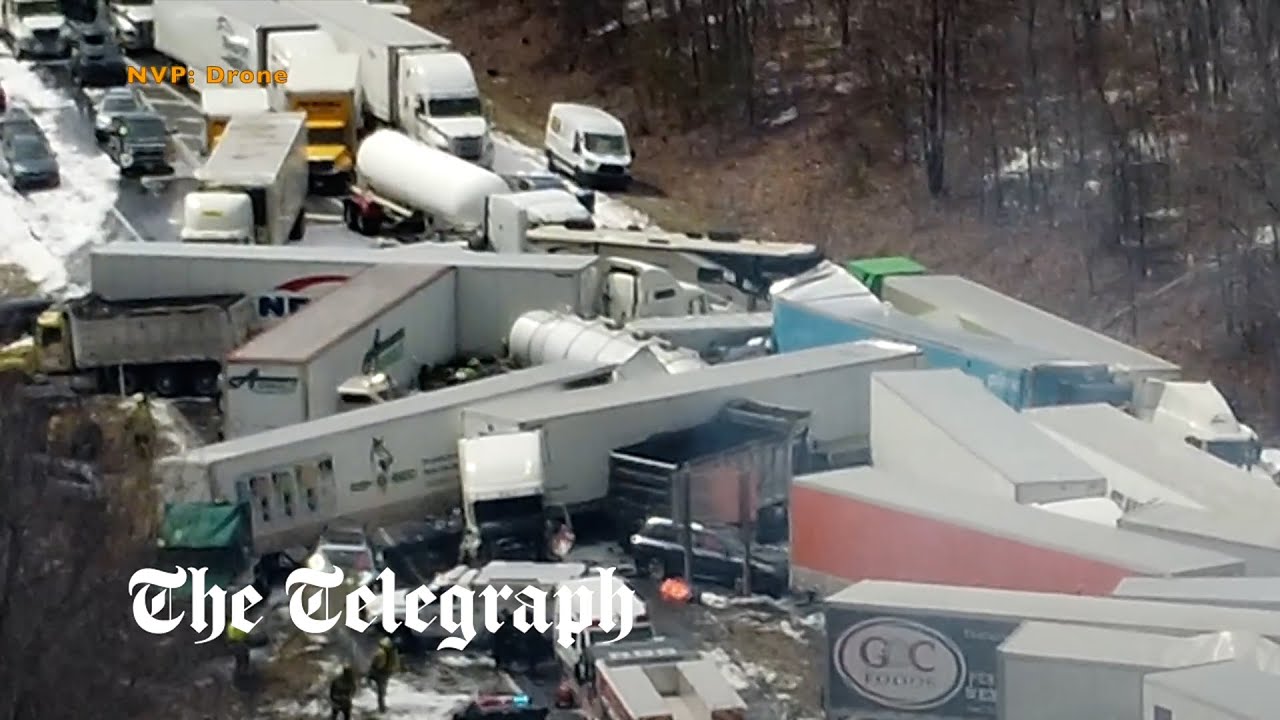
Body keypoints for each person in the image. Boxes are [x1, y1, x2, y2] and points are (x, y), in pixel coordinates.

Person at [367, 636, 400, 713]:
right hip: (388, 672)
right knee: (382, 689)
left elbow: (377, 664)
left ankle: (381, 708)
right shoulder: (393, 652)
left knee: (371, 683)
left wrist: (371, 669)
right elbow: (396, 664)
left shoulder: (381, 653)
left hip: (380, 672)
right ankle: (382, 704)